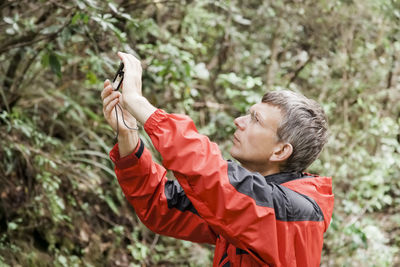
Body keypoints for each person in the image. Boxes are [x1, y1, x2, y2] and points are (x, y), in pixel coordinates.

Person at [101, 52, 334, 267]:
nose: (239, 121)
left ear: (280, 151)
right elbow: (160, 205)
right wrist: (128, 133)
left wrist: (141, 105)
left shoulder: (297, 214)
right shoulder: (243, 204)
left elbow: (215, 177)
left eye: (256, 120)